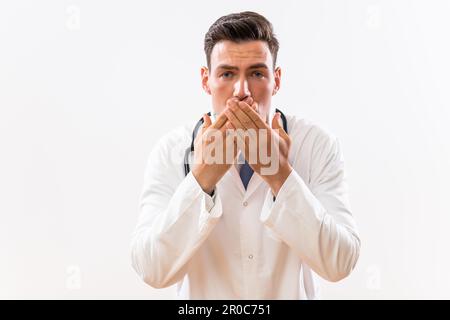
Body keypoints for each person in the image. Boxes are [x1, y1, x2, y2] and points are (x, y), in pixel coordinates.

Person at [131, 11, 360, 299]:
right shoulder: (171, 151)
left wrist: (280, 176)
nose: (241, 91)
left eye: (256, 73)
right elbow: (152, 269)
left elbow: (340, 263)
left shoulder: (316, 145)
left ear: (276, 80)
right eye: (227, 74)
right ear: (206, 80)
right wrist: (202, 178)